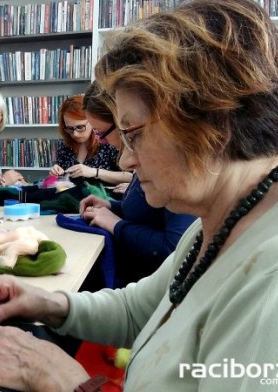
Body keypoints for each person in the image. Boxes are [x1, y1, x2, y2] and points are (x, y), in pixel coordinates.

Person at [0, 1, 278, 390]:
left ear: (211, 120)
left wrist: (66, 381)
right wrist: (47, 304)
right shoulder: (230, 215)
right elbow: (139, 310)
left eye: (134, 133)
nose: (126, 159)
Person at [80, 81, 196, 287]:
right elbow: (148, 214)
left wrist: (116, 225)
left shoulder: (173, 167)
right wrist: (111, 207)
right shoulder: (144, 161)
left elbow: (173, 249)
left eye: (99, 133)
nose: (101, 141)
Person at [49, 95, 130, 186]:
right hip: (72, 197)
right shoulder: (65, 145)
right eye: (70, 129)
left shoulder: (108, 141)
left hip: (104, 198)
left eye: (80, 127)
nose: (75, 134)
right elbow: (56, 183)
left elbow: (132, 177)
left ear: (92, 121)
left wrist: (95, 172)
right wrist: (54, 175)